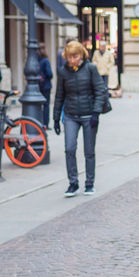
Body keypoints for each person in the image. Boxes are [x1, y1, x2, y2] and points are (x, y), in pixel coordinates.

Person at [54, 40, 109, 197]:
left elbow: (100, 91)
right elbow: (59, 96)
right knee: (69, 149)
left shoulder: (90, 68)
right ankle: (73, 183)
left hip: (88, 115)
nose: (72, 60)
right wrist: (56, 119)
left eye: (75, 57)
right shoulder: (63, 71)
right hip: (71, 115)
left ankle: (89, 183)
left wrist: (96, 113)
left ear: (82, 55)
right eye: (69, 57)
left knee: (89, 151)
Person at [37, 45, 54, 128]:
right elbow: (49, 74)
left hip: (38, 85)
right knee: (46, 105)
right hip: (46, 85)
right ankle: (46, 124)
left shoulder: (36, 60)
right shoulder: (45, 60)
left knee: (38, 104)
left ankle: (39, 122)